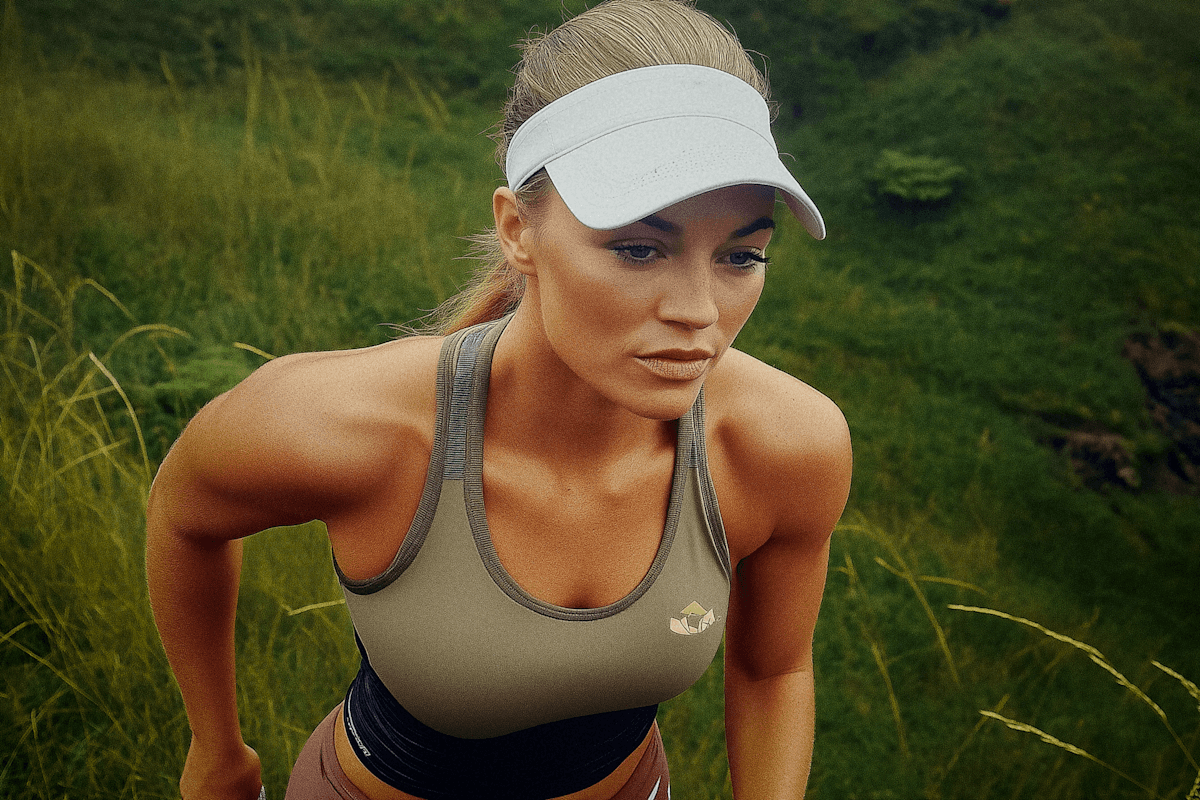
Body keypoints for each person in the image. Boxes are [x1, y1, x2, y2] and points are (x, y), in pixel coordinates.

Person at [145, 1, 852, 798]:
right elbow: (185, 516)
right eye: (637, 248)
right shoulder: (353, 429)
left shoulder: (786, 446)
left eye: (741, 256)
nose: (698, 313)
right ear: (519, 229)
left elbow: (774, 671)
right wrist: (216, 749)